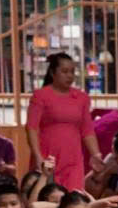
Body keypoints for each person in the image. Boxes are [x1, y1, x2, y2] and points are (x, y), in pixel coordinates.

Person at [28, 54, 98, 191]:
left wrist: (96, 154)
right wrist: (37, 156)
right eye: (65, 71)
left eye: (72, 71)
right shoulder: (40, 96)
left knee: (73, 199)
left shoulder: (81, 98)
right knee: (46, 199)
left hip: (73, 158)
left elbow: (87, 130)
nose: (70, 76)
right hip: (46, 158)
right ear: (53, 73)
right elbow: (32, 128)